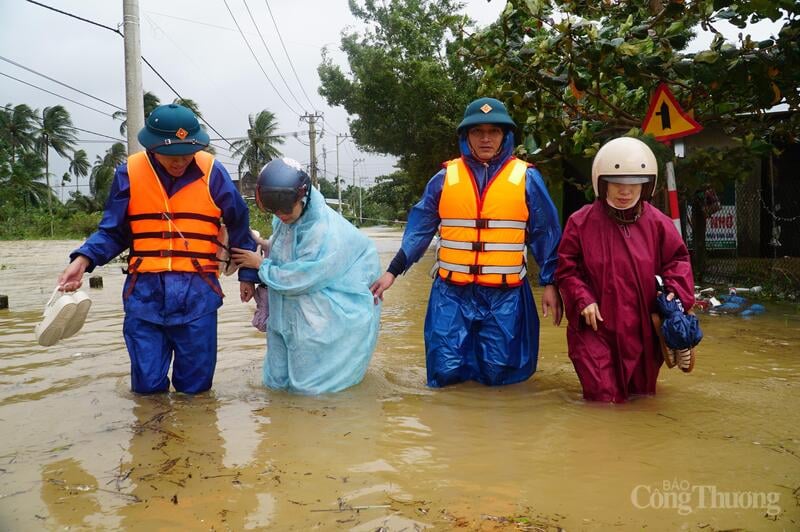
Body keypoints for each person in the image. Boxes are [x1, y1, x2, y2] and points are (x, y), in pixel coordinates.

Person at [56, 104, 259, 394]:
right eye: (171, 155)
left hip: (198, 293)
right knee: (147, 389)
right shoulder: (129, 172)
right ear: (152, 148)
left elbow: (239, 223)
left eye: (186, 154)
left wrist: (248, 275)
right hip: (144, 295)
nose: (179, 162)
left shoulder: (213, 172)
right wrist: (83, 259)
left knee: (196, 392)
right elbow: (114, 231)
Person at [369, 97, 563, 388]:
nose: (486, 138)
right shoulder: (444, 178)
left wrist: (552, 283)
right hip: (451, 294)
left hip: (505, 295)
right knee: (445, 372)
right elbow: (419, 231)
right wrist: (391, 272)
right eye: (477, 131)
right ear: (466, 136)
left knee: (501, 375)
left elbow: (545, 233)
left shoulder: (527, 178)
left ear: (505, 135)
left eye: (493, 131)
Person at [555, 136, 696, 403]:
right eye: (617, 184)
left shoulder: (659, 224)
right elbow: (567, 269)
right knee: (602, 399)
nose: (625, 192)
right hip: (595, 328)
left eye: (634, 185)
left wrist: (674, 294)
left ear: (647, 186)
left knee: (642, 399)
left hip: (643, 330)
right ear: (602, 182)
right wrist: (583, 299)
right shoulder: (580, 223)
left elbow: (678, 262)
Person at [231, 157, 381, 394]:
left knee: (311, 392)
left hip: (317, 321)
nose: (280, 215)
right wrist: (264, 247)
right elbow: (288, 252)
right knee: (276, 385)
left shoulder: (324, 230)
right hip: (285, 316)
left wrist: (260, 265)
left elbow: (303, 276)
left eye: (285, 209)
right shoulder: (288, 219)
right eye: (274, 210)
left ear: (303, 196)